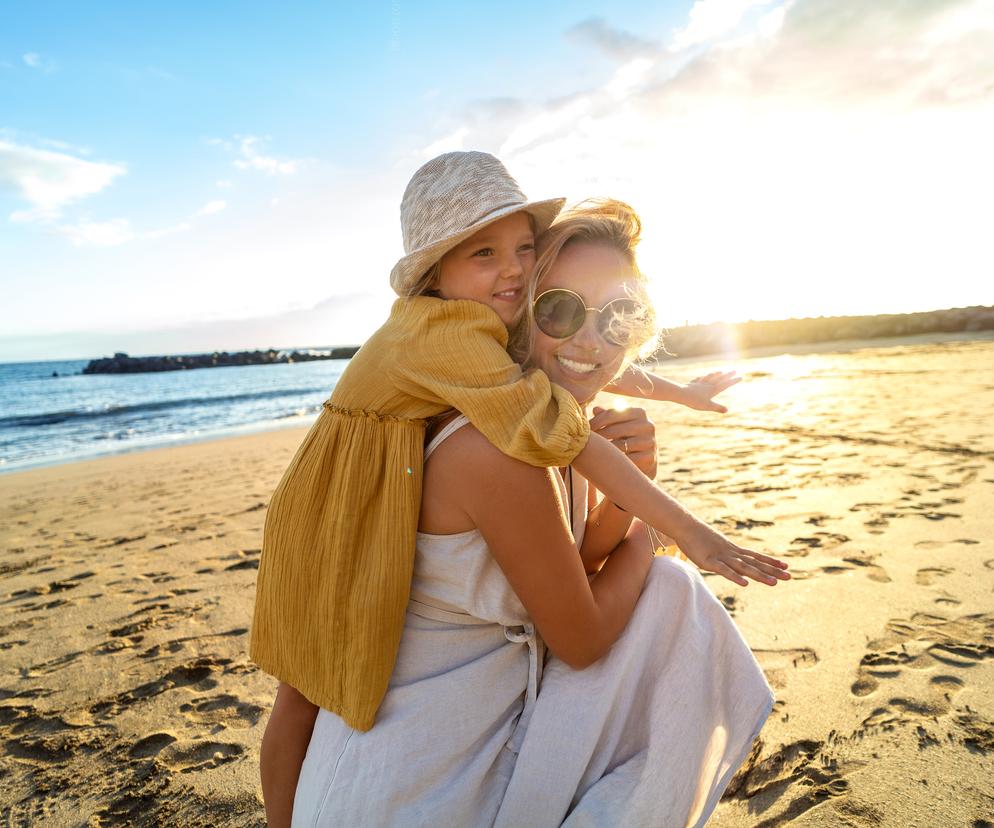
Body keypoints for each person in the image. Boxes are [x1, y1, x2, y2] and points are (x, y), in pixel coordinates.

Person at [253, 153, 787, 824]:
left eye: (621, 317)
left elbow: (576, 558)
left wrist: (638, 474)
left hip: (459, 746)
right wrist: (666, 534)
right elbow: (583, 635)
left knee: (660, 592)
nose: (592, 341)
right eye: (558, 309)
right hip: (402, 786)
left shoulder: (524, 404)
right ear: (516, 313)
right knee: (672, 592)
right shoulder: (493, 435)